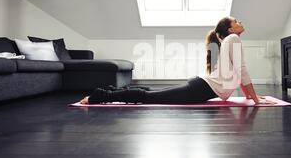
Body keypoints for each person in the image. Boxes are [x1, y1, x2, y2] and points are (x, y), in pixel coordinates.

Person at [79, 16, 275, 105]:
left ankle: (111, 92)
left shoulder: (231, 40)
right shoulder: (234, 39)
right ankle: (101, 96)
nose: (240, 22)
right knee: (150, 98)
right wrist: (256, 99)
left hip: (201, 86)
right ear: (231, 30)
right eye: (236, 21)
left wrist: (251, 97)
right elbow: (243, 71)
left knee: (152, 93)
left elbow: (238, 73)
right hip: (200, 89)